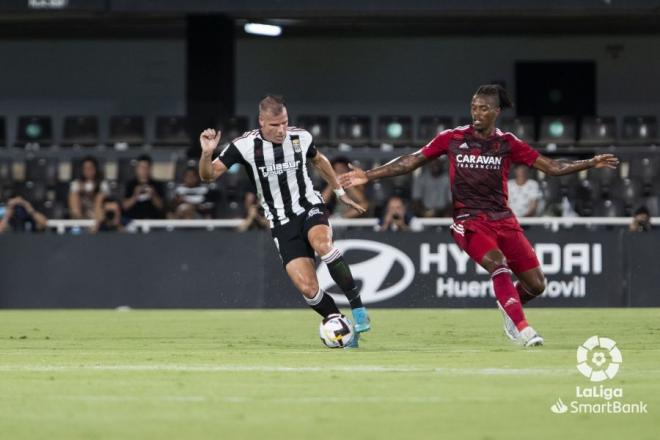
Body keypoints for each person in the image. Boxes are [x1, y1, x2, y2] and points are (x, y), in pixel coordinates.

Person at [339, 84, 619, 347]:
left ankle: (508, 304)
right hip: (469, 221)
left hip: (504, 219)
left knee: (537, 284)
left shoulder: (508, 143)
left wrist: (590, 162)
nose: (477, 113)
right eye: (474, 107)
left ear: (496, 112)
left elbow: (553, 167)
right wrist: (370, 175)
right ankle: (522, 328)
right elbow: (411, 161)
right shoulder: (452, 138)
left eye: (484, 108)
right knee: (498, 265)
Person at [199, 95, 370, 346]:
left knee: (323, 245)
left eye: (285, 123)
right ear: (261, 122)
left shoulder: (300, 137)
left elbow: (319, 160)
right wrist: (206, 154)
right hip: (280, 221)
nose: (281, 130)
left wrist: (339, 192)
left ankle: (358, 307)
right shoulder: (244, 146)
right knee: (307, 288)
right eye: (275, 125)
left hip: (309, 207)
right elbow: (208, 176)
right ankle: (339, 323)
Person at [122, 155, 166, 220]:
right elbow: (124, 206)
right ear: (136, 169)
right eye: (141, 167)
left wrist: (153, 195)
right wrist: (135, 196)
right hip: (133, 221)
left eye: (146, 167)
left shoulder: (157, 185)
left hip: (154, 221)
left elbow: (162, 207)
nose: (144, 170)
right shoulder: (130, 184)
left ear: (150, 169)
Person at [68, 156, 109, 220]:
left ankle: (96, 224)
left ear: (95, 169)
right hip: (83, 210)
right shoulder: (76, 183)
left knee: (100, 196)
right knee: (73, 195)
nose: (88, 170)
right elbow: (73, 198)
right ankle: (78, 221)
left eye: (90, 168)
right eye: (85, 168)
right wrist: (80, 191)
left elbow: (104, 197)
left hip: (98, 210)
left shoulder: (102, 184)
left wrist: (90, 192)